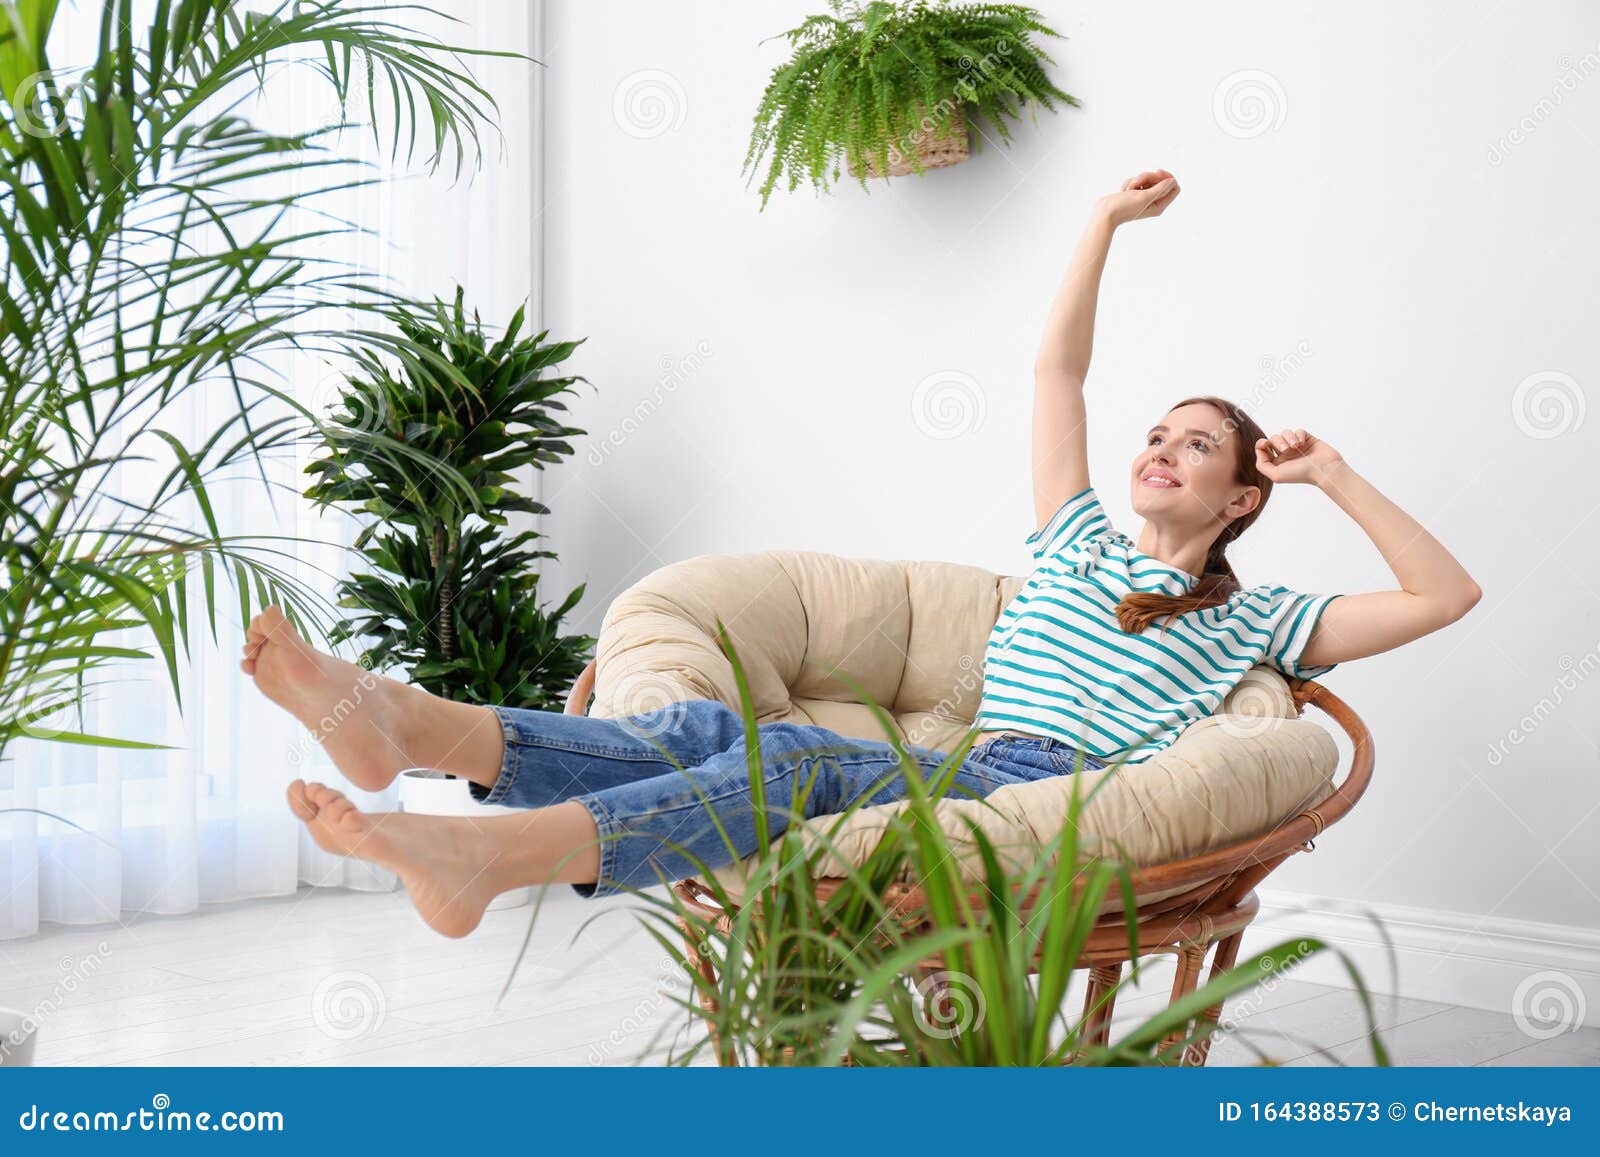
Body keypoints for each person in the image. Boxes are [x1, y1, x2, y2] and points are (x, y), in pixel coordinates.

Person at [243, 169, 1480, 938]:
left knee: (787, 755)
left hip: (1036, 792)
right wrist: (1103, 221)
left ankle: (484, 844)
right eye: (1155, 432)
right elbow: (1057, 371)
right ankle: (408, 729)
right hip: (968, 759)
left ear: (1238, 495)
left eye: (1195, 444)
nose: (1158, 448)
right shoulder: (1075, 539)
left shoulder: (1250, 622)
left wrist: (1330, 472)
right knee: (698, 734)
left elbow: (1445, 593)